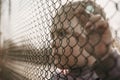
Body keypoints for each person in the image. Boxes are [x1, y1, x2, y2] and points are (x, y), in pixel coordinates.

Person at [50, 0, 120, 80]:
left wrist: (107, 58)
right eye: (52, 36)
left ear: (92, 38)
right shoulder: (58, 77)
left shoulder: (110, 74)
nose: (53, 43)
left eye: (62, 34)